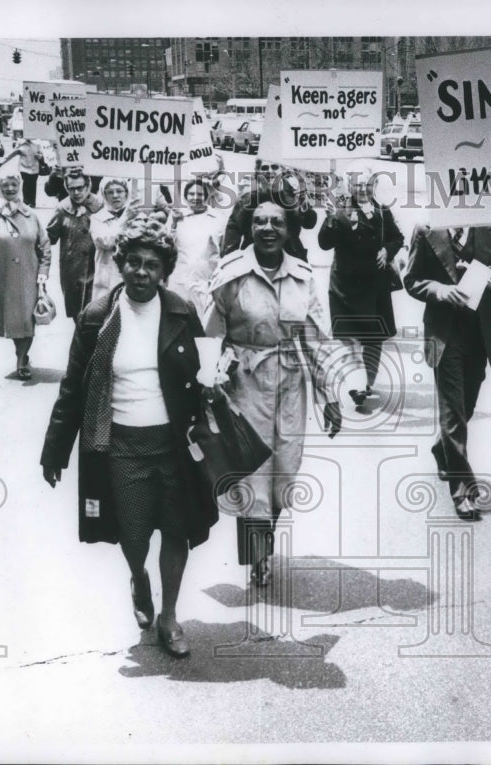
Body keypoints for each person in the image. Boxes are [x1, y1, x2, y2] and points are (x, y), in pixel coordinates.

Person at [40, 213, 219, 659]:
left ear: (164, 271)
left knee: (177, 532)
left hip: (174, 445)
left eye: (152, 265)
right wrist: (55, 450)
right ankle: (139, 579)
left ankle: (170, 616)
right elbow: (72, 389)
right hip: (120, 447)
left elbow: (201, 375)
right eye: (134, 262)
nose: (142, 272)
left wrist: (213, 383)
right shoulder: (96, 318)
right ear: (120, 264)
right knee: (133, 535)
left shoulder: (181, 311)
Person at [206, 202, 343, 586]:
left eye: (276, 222)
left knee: (284, 470)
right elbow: (211, 332)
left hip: (288, 383)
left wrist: (329, 396)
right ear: (249, 228)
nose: (267, 228)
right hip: (243, 382)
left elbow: (315, 338)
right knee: (252, 472)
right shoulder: (231, 273)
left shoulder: (301, 276)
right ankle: (257, 557)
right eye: (260, 221)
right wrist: (208, 381)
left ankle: (264, 544)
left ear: (288, 230)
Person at [403, 220, 491, 521]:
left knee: (465, 408)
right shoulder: (426, 230)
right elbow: (411, 280)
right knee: (453, 414)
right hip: (444, 334)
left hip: (479, 333)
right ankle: (463, 491)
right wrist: (439, 290)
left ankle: (442, 449)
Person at [319, 165, 405, 405]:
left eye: (367, 185)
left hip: (374, 286)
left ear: (374, 186)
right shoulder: (339, 210)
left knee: (372, 338)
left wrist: (387, 251)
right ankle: (356, 384)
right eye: (357, 185)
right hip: (345, 286)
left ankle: (367, 381)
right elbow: (325, 244)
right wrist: (328, 221)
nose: (362, 190)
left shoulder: (381, 211)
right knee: (348, 336)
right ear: (350, 187)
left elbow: (397, 237)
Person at [0, 172, 51, 380]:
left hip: (29, 277)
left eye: (14, 184)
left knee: (27, 321)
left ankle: (22, 359)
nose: (10, 189)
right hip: (3, 277)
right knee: (11, 322)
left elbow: (45, 247)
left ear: (19, 186)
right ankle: (20, 352)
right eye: (5, 185)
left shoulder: (32, 216)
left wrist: (43, 273)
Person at [221, 162, 317, 260]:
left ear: (282, 171)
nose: (269, 171)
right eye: (264, 168)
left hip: (291, 256)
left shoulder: (294, 194)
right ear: (258, 172)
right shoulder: (247, 198)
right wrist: (229, 263)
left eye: (275, 167)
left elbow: (309, 224)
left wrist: (304, 205)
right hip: (255, 258)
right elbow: (233, 232)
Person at [46, 170, 104, 322]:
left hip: (98, 268)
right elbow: (48, 239)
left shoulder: (100, 205)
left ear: (88, 185)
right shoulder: (62, 209)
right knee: (78, 316)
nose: (76, 192)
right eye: (72, 189)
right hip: (72, 271)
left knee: (98, 314)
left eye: (80, 187)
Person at [168, 177, 224, 320]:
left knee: (203, 324)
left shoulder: (217, 218)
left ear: (206, 195)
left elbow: (223, 248)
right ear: (185, 196)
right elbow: (166, 244)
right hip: (179, 280)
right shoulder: (177, 215)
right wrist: (173, 223)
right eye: (191, 194)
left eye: (200, 194)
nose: (195, 198)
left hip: (205, 281)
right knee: (177, 321)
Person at [90, 178, 132, 303]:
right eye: (110, 192)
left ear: (126, 193)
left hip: (130, 275)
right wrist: (125, 219)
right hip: (107, 279)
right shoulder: (97, 218)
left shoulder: (137, 216)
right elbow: (105, 241)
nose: (115, 196)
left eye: (119, 191)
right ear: (104, 194)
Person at [0, 137, 43, 207]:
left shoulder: (37, 144)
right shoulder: (21, 144)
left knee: (33, 184)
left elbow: (41, 154)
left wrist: (39, 156)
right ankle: (26, 201)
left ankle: (32, 202)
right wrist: (3, 162)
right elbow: (12, 154)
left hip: (34, 168)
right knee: (26, 184)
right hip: (24, 168)